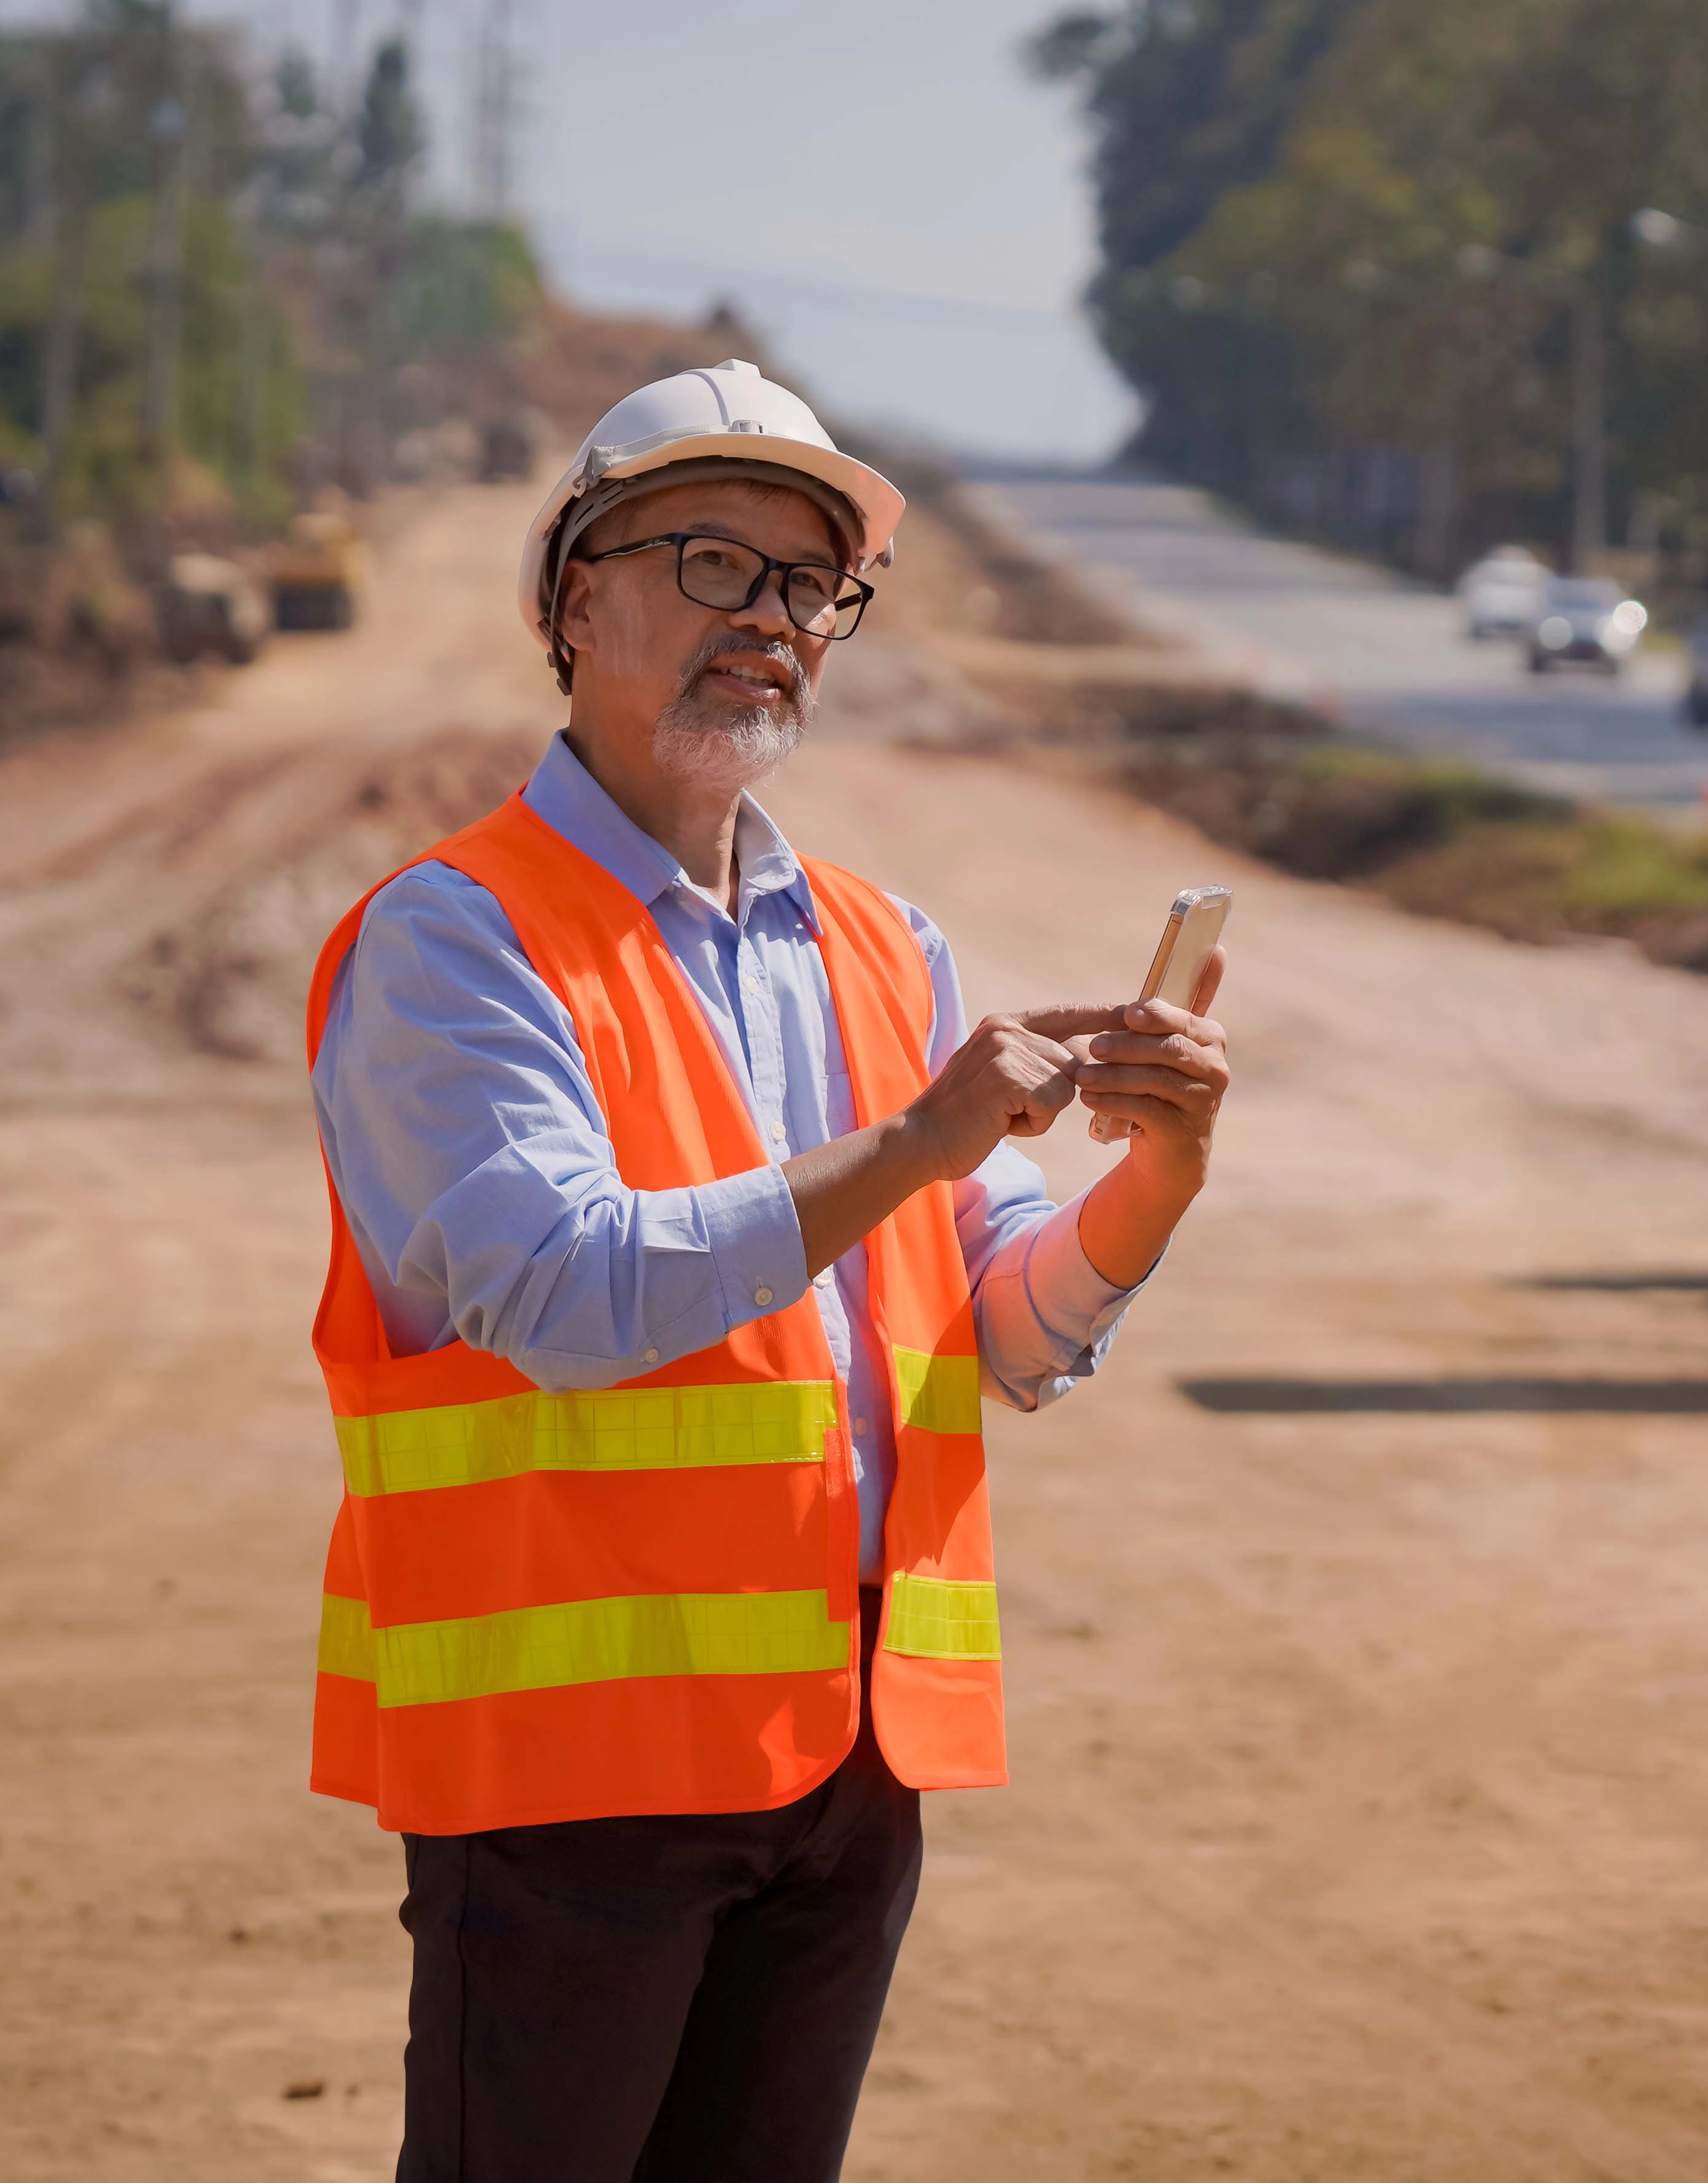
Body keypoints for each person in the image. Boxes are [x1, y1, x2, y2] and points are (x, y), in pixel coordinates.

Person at [300, 360, 1231, 2182]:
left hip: (850, 1767)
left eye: (810, 586)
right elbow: (564, 1294)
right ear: (577, 598)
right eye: (716, 564)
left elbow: (1004, 1337)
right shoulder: (454, 942)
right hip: (577, 1776)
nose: (775, 622)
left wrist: (1160, 1183)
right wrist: (914, 1145)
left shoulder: (885, 947)